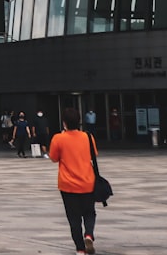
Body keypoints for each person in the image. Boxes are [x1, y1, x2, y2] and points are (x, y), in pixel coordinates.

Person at [48, 107, 99, 254]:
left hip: (68, 184)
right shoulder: (88, 137)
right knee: (90, 213)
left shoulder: (58, 138)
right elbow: (93, 155)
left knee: (74, 218)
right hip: (87, 182)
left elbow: (53, 158)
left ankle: (80, 249)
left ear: (64, 123)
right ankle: (89, 235)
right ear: (79, 121)